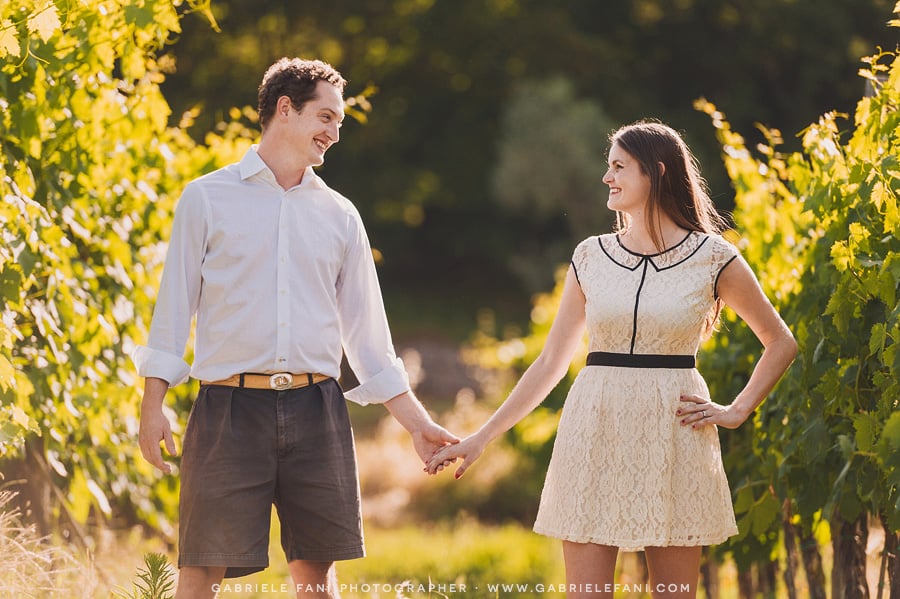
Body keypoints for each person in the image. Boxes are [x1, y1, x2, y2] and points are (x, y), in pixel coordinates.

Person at [426, 120, 798, 597]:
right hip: (593, 431)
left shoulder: (714, 257)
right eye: (609, 167)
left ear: (656, 174)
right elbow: (550, 364)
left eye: (619, 167)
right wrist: (481, 437)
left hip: (675, 435)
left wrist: (737, 409)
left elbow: (780, 341)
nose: (607, 177)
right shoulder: (590, 256)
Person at [132, 57, 458, 599]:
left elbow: (368, 340)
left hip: (316, 411)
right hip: (227, 411)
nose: (333, 134)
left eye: (339, 123)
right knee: (200, 572)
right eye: (325, 117)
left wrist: (416, 424)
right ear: (285, 109)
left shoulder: (340, 215)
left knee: (316, 579)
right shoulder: (206, 198)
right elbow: (172, 312)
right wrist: (152, 403)